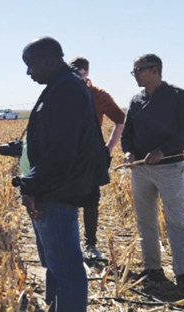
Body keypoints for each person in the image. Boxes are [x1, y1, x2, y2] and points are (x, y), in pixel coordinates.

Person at [19, 36, 104, 312]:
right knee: (56, 268)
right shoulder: (60, 86)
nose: (28, 73)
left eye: (30, 66)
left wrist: (31, 185)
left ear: (47, 61)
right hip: (51, 189)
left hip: (56, 193)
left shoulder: (66, 89)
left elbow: (61, 151)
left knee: (67, 271)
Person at [122, 54, 184, 292]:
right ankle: (152, 268)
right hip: (141, 170)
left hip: (169, 168)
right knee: (145, 220)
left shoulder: (178, 96)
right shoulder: (136, 100)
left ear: (155, 70)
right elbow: (128, 134)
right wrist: (129, 153)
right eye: (134, 71)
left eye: (138, 70)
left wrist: (162, 150)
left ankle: (183, 273)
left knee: (176, 221)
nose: (135, 75)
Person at [68, 57, 126, 261]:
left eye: (79, 72)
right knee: (67, 199)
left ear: (86, 72)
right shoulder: (63, 92)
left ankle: (90, 244)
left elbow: (120, 119)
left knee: (91, 200)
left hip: (91, 154)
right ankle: (70, 243)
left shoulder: (97, 95)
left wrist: (108, 148)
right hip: (67, 154)